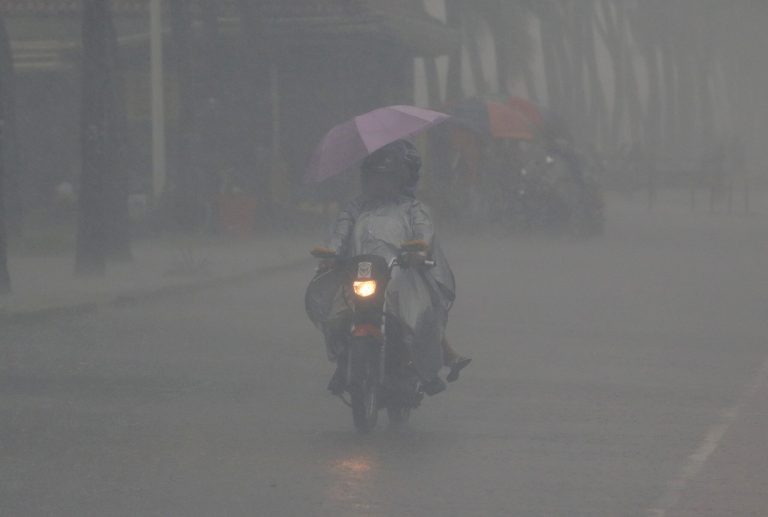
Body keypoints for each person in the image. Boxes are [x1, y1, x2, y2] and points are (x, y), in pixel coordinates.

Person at [311, 140, 471, 396]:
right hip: (359, 273)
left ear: (400, 179)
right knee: (336, 317)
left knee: (418, 317)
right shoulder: (355, 207)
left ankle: (424, 369)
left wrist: (418, 252)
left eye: (386, 177)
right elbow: (340, 233)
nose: (379, 183)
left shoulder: (412, 208)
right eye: (374, 177)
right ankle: (343, 366)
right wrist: (331, 253)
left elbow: (423, 232)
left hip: (401, 274)